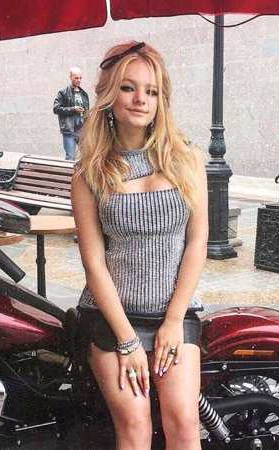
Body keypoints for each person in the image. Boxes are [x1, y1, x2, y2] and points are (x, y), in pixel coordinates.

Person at [71, 41, 208, 450]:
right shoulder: (89, 173)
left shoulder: (188, 159)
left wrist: (173, 320)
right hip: (112, 318)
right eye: (129, 88)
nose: (140, 99)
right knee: (134, 425)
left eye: (151, 91)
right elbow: (94, 262)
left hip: (174, 313)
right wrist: (128, 341)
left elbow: (197, 242)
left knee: (183, 420)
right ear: (109, 95)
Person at [53, 67, 89, 160]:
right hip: (69, 130)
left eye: (80, 78)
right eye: (76, 78)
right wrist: (73, 109)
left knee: (88, 156)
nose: (79, 80)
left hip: (82, 130)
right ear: (70, 77)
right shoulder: (63, 93)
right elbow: (56, 109)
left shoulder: (84, 94)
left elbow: (87, 112)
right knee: (70, 157)